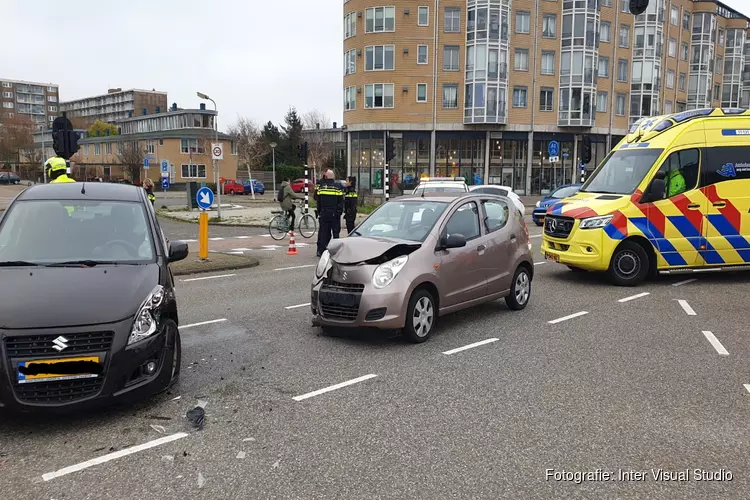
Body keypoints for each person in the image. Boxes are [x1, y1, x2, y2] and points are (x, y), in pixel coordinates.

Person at [315, 169, 344, 257]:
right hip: (334, 214)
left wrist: (319, 211)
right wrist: (339, 212)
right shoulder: (337, 187)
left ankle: (323, 252)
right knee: (335, 233)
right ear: (333, 177)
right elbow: (341, 201)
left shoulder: (322, 187)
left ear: (326, 177)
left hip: (324, 214)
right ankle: (335, 252)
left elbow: (318, 201)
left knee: (324, 233)